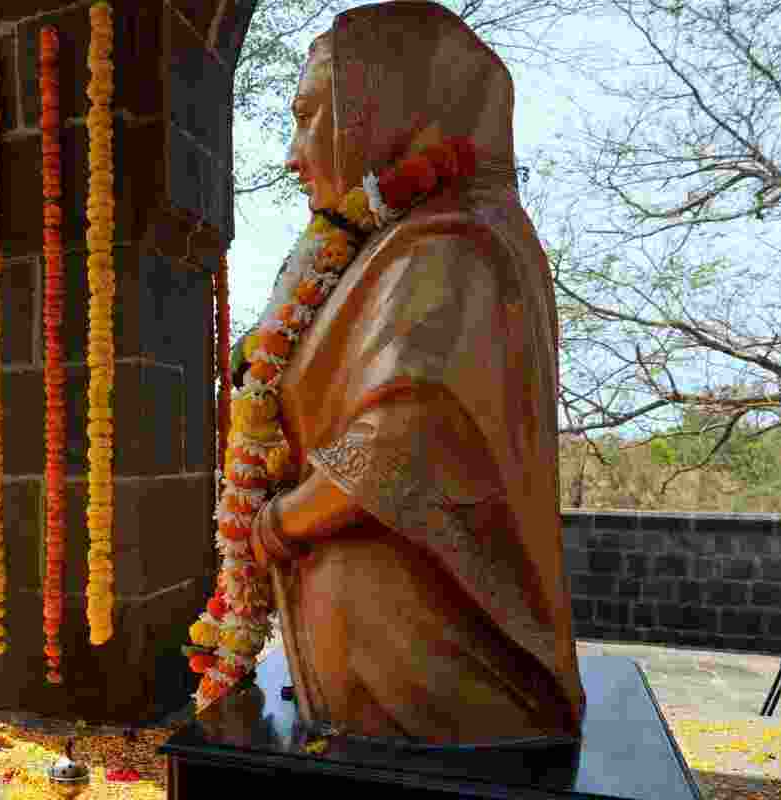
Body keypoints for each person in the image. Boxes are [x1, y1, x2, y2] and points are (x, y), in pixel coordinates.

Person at [241, 0, 585, 745]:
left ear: (381, 106)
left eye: (311, 117)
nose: (294, 154)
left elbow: (398, 442)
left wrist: (279, 521)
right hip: (362, 674)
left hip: (424, 678)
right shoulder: (376, 249)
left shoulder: (450, 246)